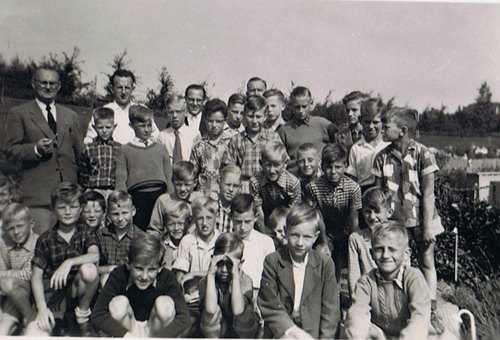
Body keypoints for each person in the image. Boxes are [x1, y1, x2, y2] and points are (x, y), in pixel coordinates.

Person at [373, 106, 444, 333]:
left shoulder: (423, 154)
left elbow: (429, 193)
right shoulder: (381, 157)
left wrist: (426, 228)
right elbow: (379, 195)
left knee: (426, 261)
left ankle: (430, 309)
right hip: (395, 222)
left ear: (402, 131)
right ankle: (402, 311)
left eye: (386, 127)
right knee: (399, 265)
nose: (381, 130)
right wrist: (381, 225)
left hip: (422, 220)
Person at [5, 67, 83, 234]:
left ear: (59, 86)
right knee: (41, 247)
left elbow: (79, 154)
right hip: (39, 198)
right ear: (34, 84)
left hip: (69, 197)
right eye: (43, 82)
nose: (48, 87)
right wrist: (36, 149)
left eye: (52, 83)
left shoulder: (71, 116)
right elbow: (10, 151)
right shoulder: (19, 113)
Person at [25, 182, 99, 336]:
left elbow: (95, 255)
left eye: (72, 207)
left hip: (77, 290)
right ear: (53, 208)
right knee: (33, 333)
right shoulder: (45, 239)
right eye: (61, 207)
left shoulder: (85, 231)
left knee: (90, 269)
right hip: (54, 292)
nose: (67, 212)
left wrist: (69, 262)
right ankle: (57, 319)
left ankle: (82, 316)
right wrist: (42, 309)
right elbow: (36, 277)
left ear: (80, 209)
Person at [258, 203, 340, 339]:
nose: (300, 243)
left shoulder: (325, 264)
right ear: (285, 231)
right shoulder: (273, 261)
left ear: (315, 236)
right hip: (282, 332)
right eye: (295, 235)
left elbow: (330, 311)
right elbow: (270, 305)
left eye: (307, 237)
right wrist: (295, 333)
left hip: (313, 332)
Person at [90, 233, 191, 337]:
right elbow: (97, 315)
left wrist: (160, 337)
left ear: (160, 268)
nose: (144, 276)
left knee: (165, 304)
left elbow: (184, 318)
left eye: (151, 269)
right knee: (118, 303)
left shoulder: (167, 277)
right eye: (139, 268)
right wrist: (125, 335)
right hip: (128, 329)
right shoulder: (119, 274)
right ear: (128, 264)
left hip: (155, 330)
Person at [344, 222, 431, 339]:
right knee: (354, 327)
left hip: (411, 335)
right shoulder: (366, 282)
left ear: (406, 254)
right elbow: (358, 312)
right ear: (371, 253)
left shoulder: (413, 278)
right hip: (382, 336)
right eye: (379, 249)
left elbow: (420, 317)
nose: (385, 255)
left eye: (392, 249)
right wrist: (357, 332)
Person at [306, 143, 362, 282]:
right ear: (322, 166)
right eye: (329, 167)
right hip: (326, 230)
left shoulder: (353, 188)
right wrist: (324, 241)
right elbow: (317, 216)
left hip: (346, 230)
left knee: (354, 263)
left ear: (345, 166)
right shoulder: (314, 187)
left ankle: (354, 294)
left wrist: (352, 242)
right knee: (323, 256)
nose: (333, 171)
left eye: (337, 167)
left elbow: (354, 219)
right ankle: (330, 293)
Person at [115, 105, 173, 231]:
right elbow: (121, 180)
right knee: (138, 232)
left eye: (149, 125)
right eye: (142, 126)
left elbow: (169, 176)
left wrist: (171, 199)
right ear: (131, 126)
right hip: (137, 198)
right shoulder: (124, 150)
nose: (147, 130)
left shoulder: (160, 148)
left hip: (159, 196)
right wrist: (122, 202)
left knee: (158, 231)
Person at [199, 233, 259, 338]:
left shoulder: (245, 280)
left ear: (240, 263)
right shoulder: (207, 280)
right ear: (213, 260)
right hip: (219, 328)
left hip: (241, 330)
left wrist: (235, 275)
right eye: (220, 263)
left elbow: (238, 309)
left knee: (246, 313)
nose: (224, 270)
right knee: (210, 315)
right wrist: (211, 274)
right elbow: (211, 309)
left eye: (230, 264)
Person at [221, 95, 282, 192]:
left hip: (268, 186)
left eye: (258, 117)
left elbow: (283, 163)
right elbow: (228, 168)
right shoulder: (236, 140)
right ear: (244, 115)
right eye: (250, 116)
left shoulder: (273, 137)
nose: (254, 121)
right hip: (244, 187)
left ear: (265, 117)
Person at [83, 69, 160, 144]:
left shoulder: (142, 110)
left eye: (127, 88)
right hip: (112, 154)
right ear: (112, 89)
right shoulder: (103, 112)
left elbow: (156, 137)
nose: (123, 92)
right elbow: (89, 140)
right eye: (119, 88)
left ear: (132, 89)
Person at [277, 86, 335, 176]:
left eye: (304, 106)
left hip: (320, 179)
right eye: (297, 107)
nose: (301, 111)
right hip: (294, 179)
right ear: (291, 106)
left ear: (311, 104)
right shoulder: (284, 130)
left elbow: (339, 143)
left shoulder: (323, 124)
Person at [172, 196, 221, 303]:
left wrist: (194, 274)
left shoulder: (221, 240)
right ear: (194, 219)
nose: (204, 223)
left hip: (216, 298)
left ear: (216, 217)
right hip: (192, 298)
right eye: (199, 218)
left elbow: (221, 274)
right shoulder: (187, 240)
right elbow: (180, 274)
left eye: (209, 218)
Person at [0, 204, 38, 334]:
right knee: (2, 330)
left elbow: (29, 274)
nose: (16, 232)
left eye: (20, 226)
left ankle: (30, 317)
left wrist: (3, 275)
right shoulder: (3, 243)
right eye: (11, 228)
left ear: (31, 224)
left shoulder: (37, 242)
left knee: (7, 282)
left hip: (33, 291)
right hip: (11, 295)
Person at [348, 187, 393, 295]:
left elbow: (405, 270)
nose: (372, 217)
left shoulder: (396, 236)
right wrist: (356, 300)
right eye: (368, 212)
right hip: (367, 293)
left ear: (389, 212)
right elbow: (354, 274)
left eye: (377, 211)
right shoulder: (356, 238)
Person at [95, 190, 144, 286]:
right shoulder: (100, 235)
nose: (120, 218)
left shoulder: (140, 237)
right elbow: (93, 267)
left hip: (131, 281)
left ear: (133, 211)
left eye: (125, 213)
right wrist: (109, 269)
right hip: (106, 282)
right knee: (106, 278)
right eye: (115, 214)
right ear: (108, 214)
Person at [231, 194, 275, 298]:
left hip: (259, 294)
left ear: (255, 217)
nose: (242, 227)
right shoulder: (227, 241)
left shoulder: (266, 242)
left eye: (247, 222)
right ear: (231, 218)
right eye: (238, 222)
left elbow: (271, 277)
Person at [250, 140, 301, 230]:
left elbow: (294, 211)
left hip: (286, 218)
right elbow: (258, 210)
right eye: (268, 165)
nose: (272, 170)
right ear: (261, 163)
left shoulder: (293, 183)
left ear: (285, 163)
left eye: (276, 165)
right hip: (263, 218)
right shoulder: (255, 181)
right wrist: (264, 233)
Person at [346, 98, 390, 193]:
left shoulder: (389, 145)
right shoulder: (356, 148)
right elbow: (352, 179)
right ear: (361, 121)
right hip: (364, 192)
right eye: (367, 122)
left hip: (387, 191)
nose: (371, 126)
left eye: (375, 122)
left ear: (383, 122)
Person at [190, 98, 233, 195]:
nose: (214, 125)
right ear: (205, 120)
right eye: (210, 121)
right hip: (204, 196)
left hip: (226, 195)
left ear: (225, 121)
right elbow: (192, 174)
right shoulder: (198, 146)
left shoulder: (232, 143)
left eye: (218, 121)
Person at [148, 161, 203, 234]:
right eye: (178, 184)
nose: (182, 189)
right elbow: (154, 230)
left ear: (195, 182)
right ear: (172, 182)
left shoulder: (199, 200)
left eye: (187, 185)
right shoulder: (164, 201)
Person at [79, 107, 121, 199]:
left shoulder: (119, 148)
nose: (104, 131)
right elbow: (83, 172)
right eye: (100, 127)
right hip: (94, 190)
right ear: (94, 127)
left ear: (114, 127)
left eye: (108, 127)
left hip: (113, 190)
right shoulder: (89, 148)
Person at [158, 94, 202, 164]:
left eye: (178, 112)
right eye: (171, 112)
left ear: (185, 113)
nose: (174, 116)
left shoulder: (194, 134)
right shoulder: (162, 136)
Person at [155, 199, 191, 270]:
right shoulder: (162, 244)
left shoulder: (192, 242)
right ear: (165, 224)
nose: (176, 228)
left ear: (188, 223)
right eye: (171, 224)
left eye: (181, 224)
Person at [215, 165, 242, 233]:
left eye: (235, 186)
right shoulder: (211, 207)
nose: (231, 189)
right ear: (219, 183)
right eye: (228, 184)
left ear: (240, 188)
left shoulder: (240, 211)